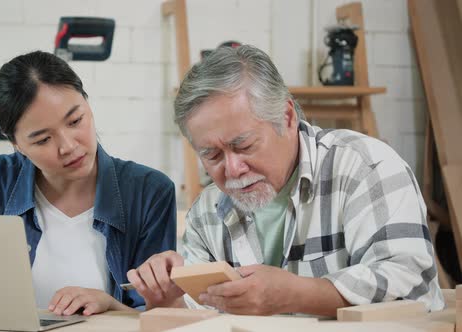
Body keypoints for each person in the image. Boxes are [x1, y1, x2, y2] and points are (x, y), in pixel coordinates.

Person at [126, 45, 444, 316]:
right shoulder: (206, 214)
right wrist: (170, 300)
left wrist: (298, 294)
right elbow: (200, 316)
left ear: (287, 118)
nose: (232, 168)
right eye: (212, 155)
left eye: (244, 145)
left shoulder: (365, 167)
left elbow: (411, 288)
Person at [0, 51, 176, 316]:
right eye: (43, 139)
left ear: (87, 103)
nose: (68, 147)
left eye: (75, 121)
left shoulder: (149, 192)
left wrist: (109, 304)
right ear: (16, 144)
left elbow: (159, 314)